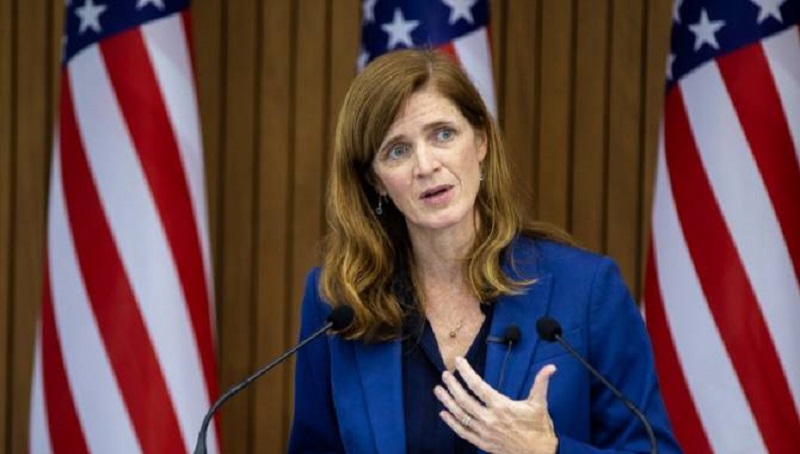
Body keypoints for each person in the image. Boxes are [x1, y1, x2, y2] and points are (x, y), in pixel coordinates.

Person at [288, 49, 681, 454]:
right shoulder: (339, 302)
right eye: (397, 150)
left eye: (443, 134)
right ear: (376, 181)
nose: (426, 165)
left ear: (480, 142)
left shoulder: (585, 289)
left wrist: (546, 451)